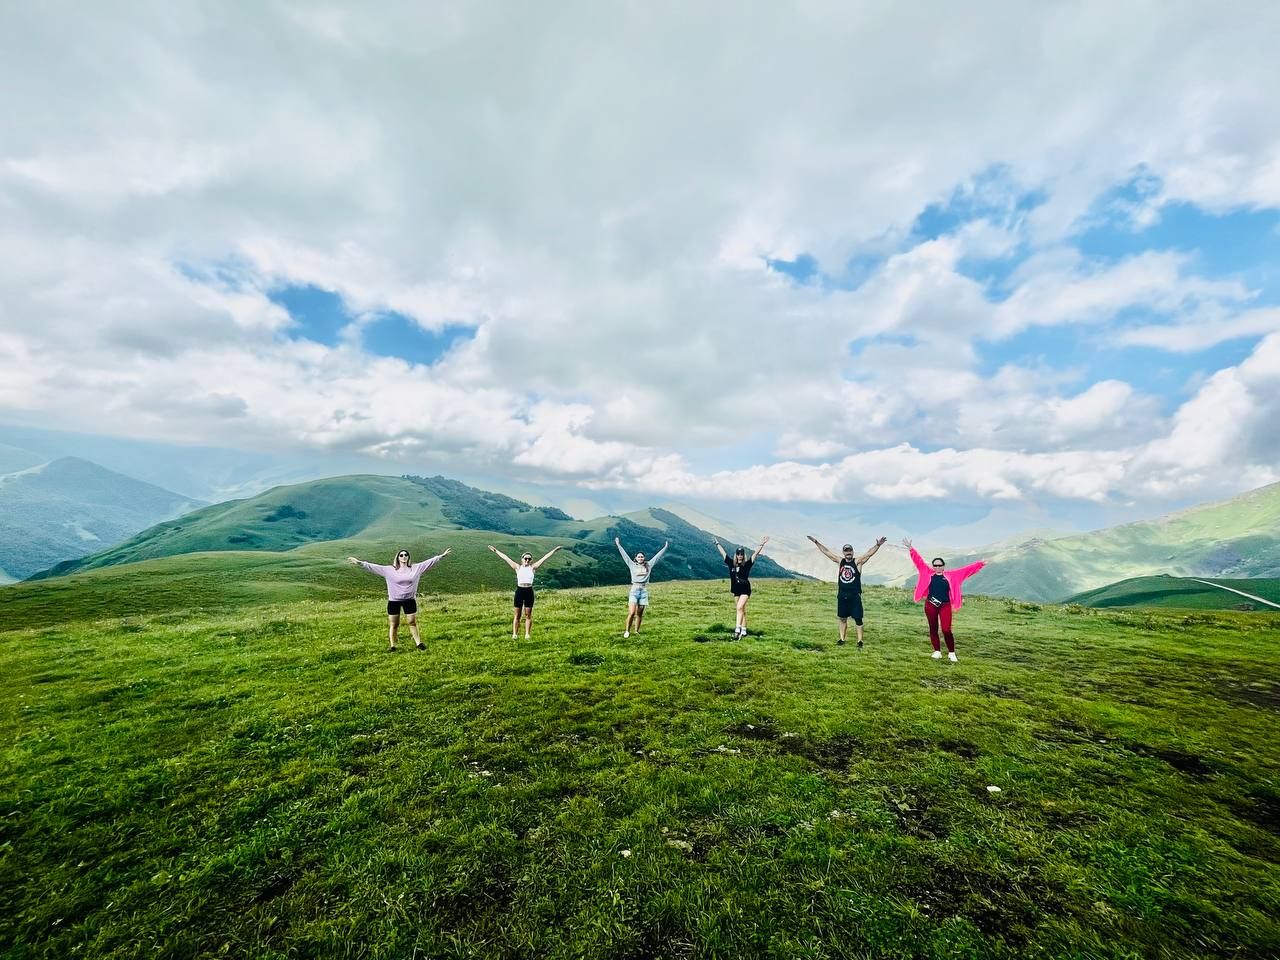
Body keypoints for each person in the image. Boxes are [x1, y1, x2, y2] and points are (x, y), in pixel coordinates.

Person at [347, 547, 451, 652]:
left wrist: (441, 556)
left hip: (409, 600)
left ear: (408, 557)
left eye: (406, 555)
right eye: (401, 555)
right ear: (398, 558)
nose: (404, 557)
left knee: (412, 622)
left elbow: (428, 562)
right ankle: (393, 646)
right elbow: (373, 567)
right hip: (394, 601)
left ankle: (419, 643)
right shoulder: (389, 570)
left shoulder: (416, 568)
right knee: (394, 624)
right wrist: (359, 563)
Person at [903, 538, 985, 662]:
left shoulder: (952, 576)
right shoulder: (927, 573)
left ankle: (951, 653)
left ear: (943, 566)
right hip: (930, 605)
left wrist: (980, 564)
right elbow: (918, 561)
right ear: (933, 566)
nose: (937, 567)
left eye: (939, 565)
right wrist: (911, 548)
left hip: (945, 605)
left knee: (946, 630)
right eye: (935, 565)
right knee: (933, 628)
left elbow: (966, 570)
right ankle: (937, 651)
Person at [806, 535, 886, 647]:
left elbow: (869, 553)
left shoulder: (858, 562)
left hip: (855, 596)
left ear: (853, 552)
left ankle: (860, 641)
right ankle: (842, 639)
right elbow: (827, 552)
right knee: (842, 618)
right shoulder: (840, 561)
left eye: (850, 550)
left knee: (858, 619)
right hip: (842, 596)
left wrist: (877, 545)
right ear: (843, 552)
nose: (848, 552)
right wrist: (816, 542)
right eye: (846, 551)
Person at [487, 544, 563, 639]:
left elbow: (544, 558)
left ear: (531, 560)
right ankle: (515, 634)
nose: (527, 560)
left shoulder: (533, 568)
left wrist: (555, 550)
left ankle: (527, 634)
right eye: (525, 558)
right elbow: (506, 558)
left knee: (528, 615)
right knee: (517, 615)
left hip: (529, 591)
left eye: (529, 559)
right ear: (522, 559)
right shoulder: (517, 567)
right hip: (520, 591)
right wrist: (495, 550)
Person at [614, 536, 670, 638]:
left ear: (644, 558)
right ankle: (627, 631)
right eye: (639, 557)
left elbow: (657, 557)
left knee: (639, 614)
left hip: (643, 591)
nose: (640, 558)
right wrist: (618, 544)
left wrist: (665, 547)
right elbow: (624, 555)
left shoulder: (649, 565)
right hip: (634, 590)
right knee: (631, 613)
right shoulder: (632, 565)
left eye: (642, 557)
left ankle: (636, 631)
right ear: (636, 558)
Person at [713, 537, 769, 637]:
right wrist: (717, 544)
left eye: (741, 554)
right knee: (741, 610)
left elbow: (755, 554)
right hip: (736, 590)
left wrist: (762, 544)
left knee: (739, 607)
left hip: (745, 589)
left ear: (743, 555)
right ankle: (744, 630)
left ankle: (737, 630)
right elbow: (723, 553)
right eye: (738, 554)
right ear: (736, 555)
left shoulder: (747, 564)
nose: (740, 556)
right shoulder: (731, 564)